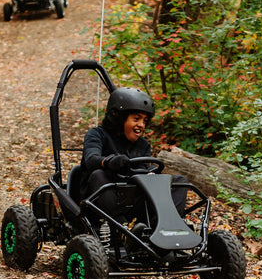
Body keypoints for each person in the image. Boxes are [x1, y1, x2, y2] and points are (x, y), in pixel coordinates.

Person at [80, 87, 187, 225]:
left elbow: (142, 173)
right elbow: (91, 160)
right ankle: (122, 228)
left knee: (179, 182)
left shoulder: (143, 145)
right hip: (97, 202)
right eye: (136, 119)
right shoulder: (97, 135)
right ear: (118, 118)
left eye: (144, 121)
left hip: (131, 200)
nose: (141, 125)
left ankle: (165, 226)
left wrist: (150, 174)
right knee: (98, 174)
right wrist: (109, 161)